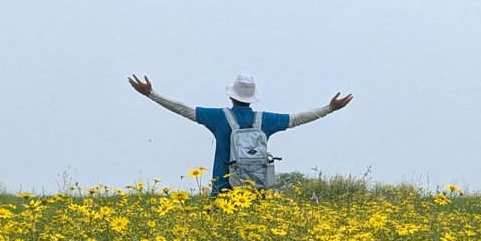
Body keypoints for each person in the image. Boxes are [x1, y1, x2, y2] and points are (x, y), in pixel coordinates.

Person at [128, 73, 353, 196]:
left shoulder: (218, 117)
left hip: (223, 190)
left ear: (231, 96)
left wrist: (152, 94)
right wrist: (329, 108)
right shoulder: (265, 120)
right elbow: (297, 119)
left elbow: (184, 109)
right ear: (252, 97)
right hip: (256, 191)